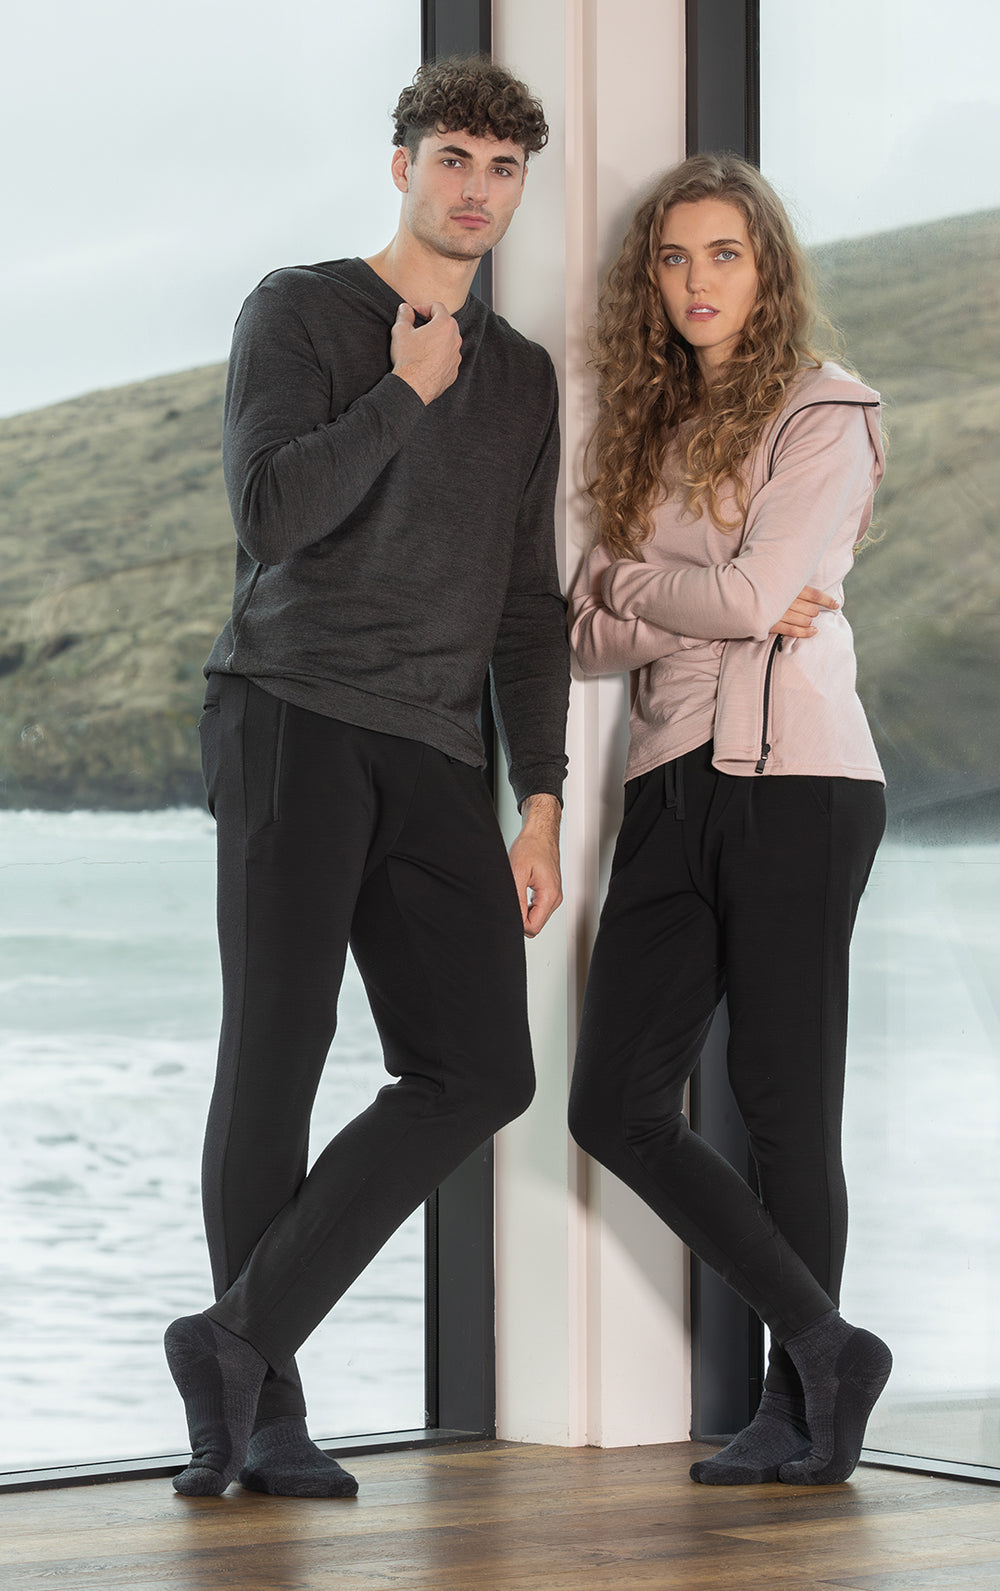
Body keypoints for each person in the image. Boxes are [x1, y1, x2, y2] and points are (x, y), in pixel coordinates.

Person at [164, 57, 569, 1499]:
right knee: (276, 1053)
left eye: (503, 169)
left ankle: (235, 1337)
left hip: (440, 749)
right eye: (453, 158)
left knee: (482, 1068)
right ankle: (266, 1417)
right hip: (291, 712)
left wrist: (540, 800)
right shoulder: (300, 310)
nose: (477, 190)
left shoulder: (524, 378)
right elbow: (271, 514)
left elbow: (527, 604)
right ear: (402, 164)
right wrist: (403, 391)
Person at [568, 153, 891, 1487]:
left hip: (799, 782)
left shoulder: (826, 412)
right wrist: (693, 592)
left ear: (767, 270)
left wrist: (641, 586)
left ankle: (794, 1407)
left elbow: (743, 602)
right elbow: (582, 637)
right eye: (673, 257)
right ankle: (828, 1344)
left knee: (783, 1109)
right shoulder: (646, 430)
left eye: (724, 254)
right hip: (667, 781)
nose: (696, 281)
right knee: (613, 1103)